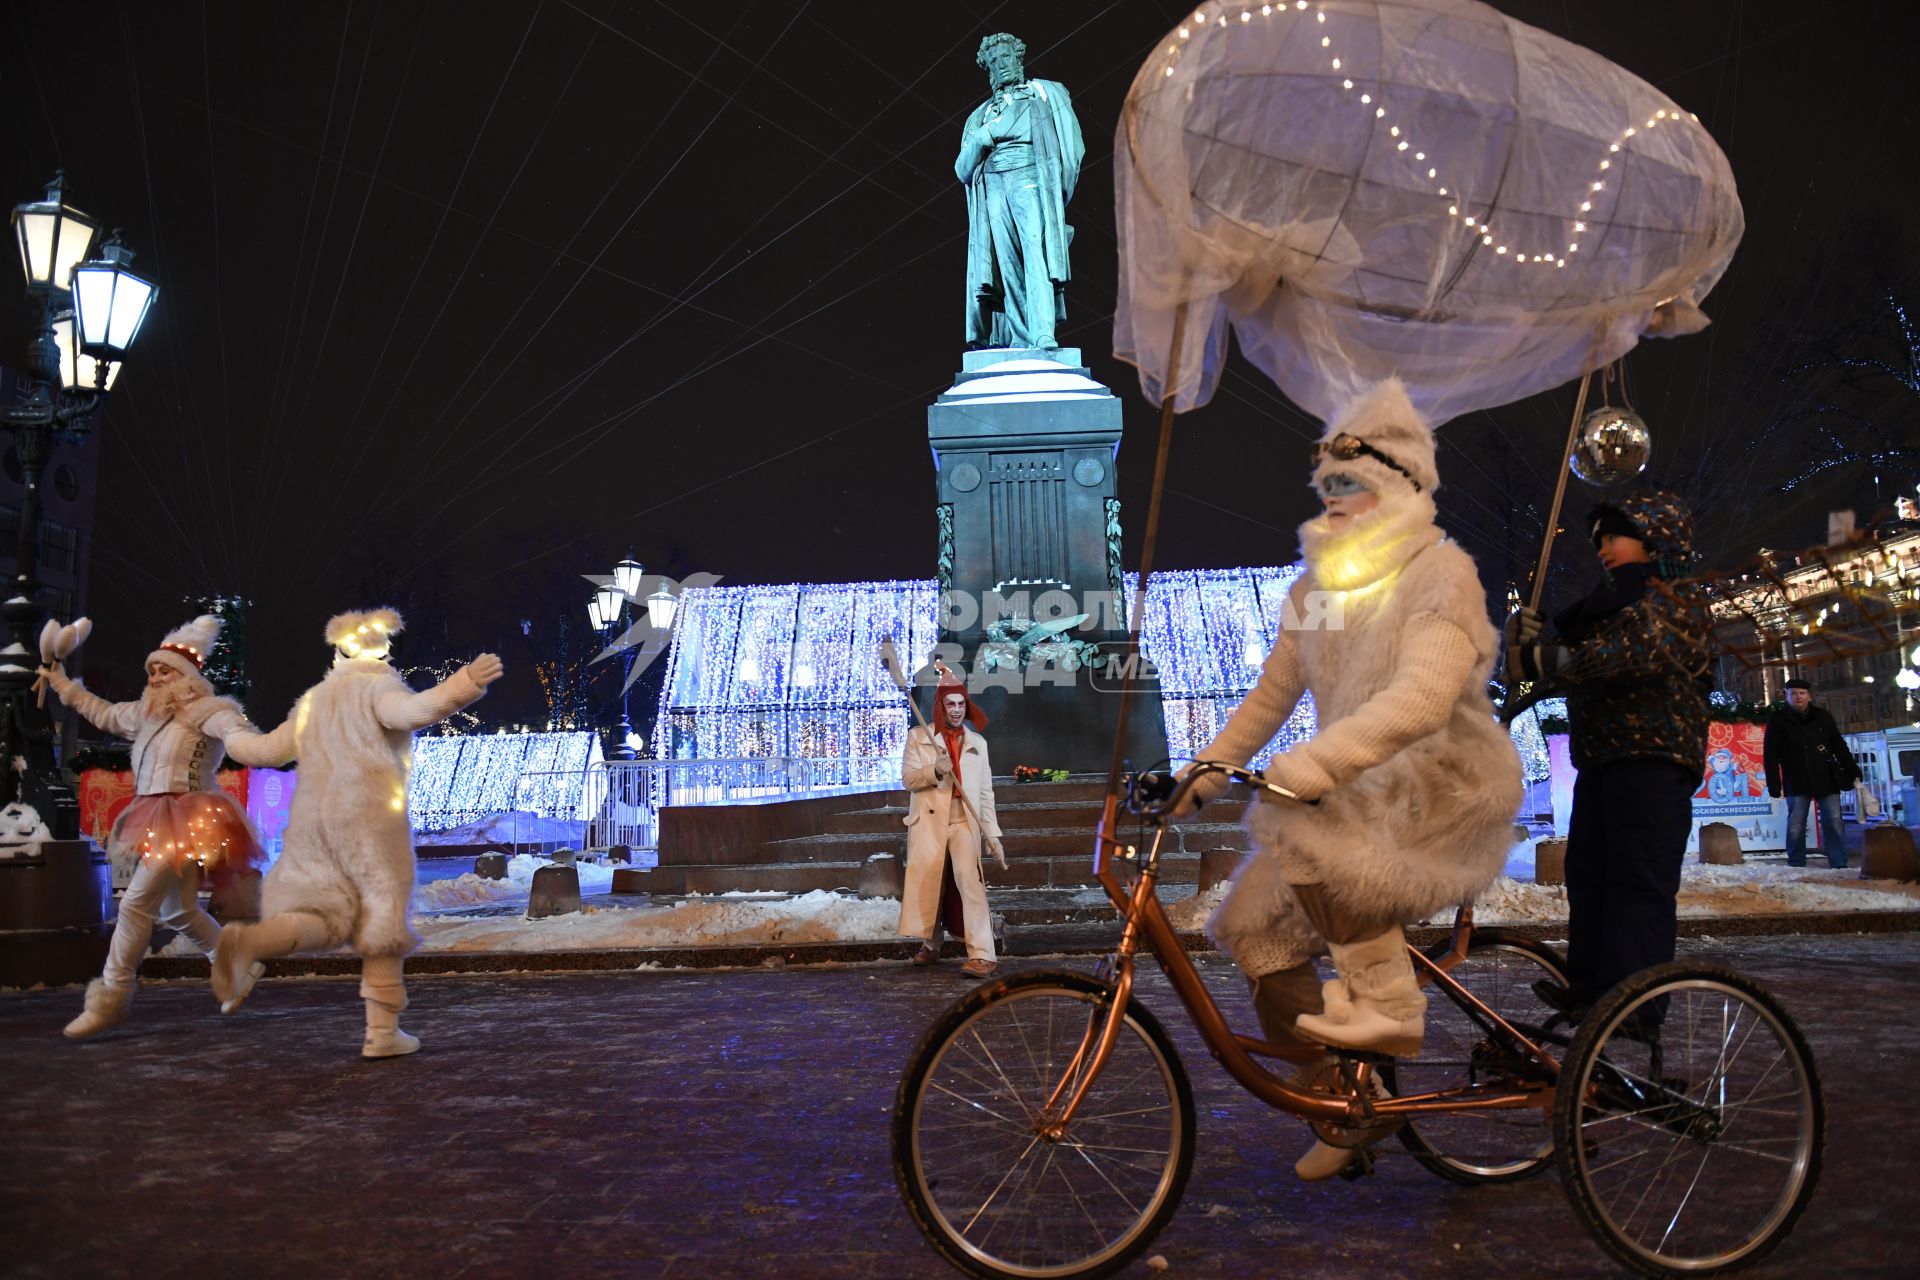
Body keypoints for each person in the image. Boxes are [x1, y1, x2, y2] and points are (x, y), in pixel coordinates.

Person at [1177, 378, 1523, 1180]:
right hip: (1358, 789)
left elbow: (1424, 698)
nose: (1334, 499)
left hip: (1443, 786)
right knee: (1255, 932)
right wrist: (1200, 775)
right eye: (1327, 485)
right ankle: (1343, 1102)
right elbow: (1272, 695)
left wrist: (1320, 761)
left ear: (1400, 488)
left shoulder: (1442, 574)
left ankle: (1392, 1005)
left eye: (1352, 485)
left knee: (1305, 837)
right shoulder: (1317, 591)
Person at [208, 609, 502, 1058]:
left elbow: (264, 750)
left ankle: (250, 941)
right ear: (382, 649)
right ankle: (382, 1031)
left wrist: (229, 731)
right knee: (381, 915)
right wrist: (465, 683)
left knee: (323, 914)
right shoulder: (378, 687)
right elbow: (415, 711)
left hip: (312, 821)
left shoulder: (312, 702)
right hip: (369, 816)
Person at [1506, 490, 1717, 1019]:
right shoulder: (1608, 605)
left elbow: (1627, 653)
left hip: (1652, 763)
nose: (1603, 548)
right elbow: (1568, 659)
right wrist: (1524, 646)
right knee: (1590, 877)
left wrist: (1549, 657)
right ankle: (1591, 991)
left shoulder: (1677, 599)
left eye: (1614, 537)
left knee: (1636, 882)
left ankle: (1632, 1007)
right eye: (1599, 540)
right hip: (1603, 761)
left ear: (1655, 539)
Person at [40, 614, 283, 1039]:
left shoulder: (209, 710)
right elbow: (104, 712)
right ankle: (238, 967)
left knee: (135, 905)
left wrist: (266, 746)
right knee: (178, 910)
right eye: (151, 670)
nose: (155, 676)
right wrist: (61, 683)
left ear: (185, 676)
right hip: (152, 816)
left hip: (189, 818)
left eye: (164, 670)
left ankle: (112, 997)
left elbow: (237, 735)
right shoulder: (146, 714)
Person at [956, 32, 1084, 351]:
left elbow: (1072, 150)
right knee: (1007, 262)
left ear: (1019, 58)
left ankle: (1042, 332)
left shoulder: (1045, 93)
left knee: (1035, 253)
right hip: (995, 185)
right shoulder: (980, 116)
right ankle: (1018, 336)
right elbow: (962, 170)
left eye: (1006, 58)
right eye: (994, 62)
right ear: (988, 70)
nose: (1001, 66)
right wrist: (983, 136)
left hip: (1031, 177)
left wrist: (1057, 196)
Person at [899, 671, 1006, 979]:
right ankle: (931, 945)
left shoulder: (978, 743)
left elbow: (986, 793)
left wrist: (992, 834)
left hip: (963, 823)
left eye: (961, 703)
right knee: (932, 882)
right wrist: (934, 769)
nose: (957, 709)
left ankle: (983, 954)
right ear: (940, 707)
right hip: (929, 825)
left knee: (968, 881)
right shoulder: (920, 737)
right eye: (950, 704)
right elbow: (908, 779)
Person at [1764, 679, 1857, 869]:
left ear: (1809, 696)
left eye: (1802, 693)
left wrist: (1852, 769)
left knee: (1834, 820)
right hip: (1796, 778)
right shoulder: (1779, 719)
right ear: (1787, 696)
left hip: (1826, 776)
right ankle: (1796, 862)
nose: (1798, 697)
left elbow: (1839, 746)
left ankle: (1839, 862)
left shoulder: (1823, 716)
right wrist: (1774, 781)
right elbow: (1770, 753)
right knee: (1796, 823)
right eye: (1793, 693)